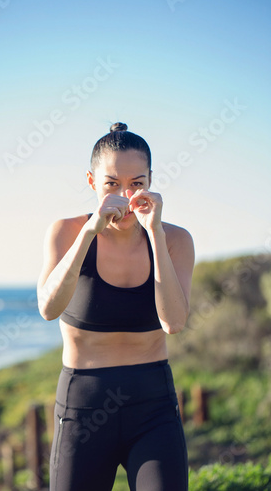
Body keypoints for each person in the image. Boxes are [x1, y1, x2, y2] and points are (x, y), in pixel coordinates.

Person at [37, 122, 195, 491]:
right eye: (112, 184)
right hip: (83, 407)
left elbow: (173, 322)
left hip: (153, 405)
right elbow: (48, 308)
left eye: (137, 183)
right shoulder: (65, 230)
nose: (125, 195)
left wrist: (154, 231)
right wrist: (89, 232)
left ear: (151, 181)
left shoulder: (175, 239)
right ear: (92, 183)